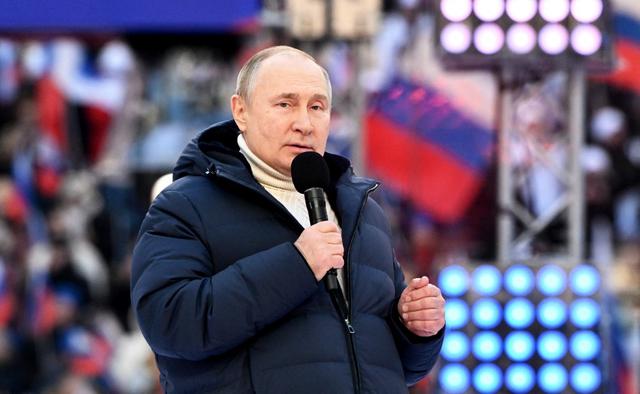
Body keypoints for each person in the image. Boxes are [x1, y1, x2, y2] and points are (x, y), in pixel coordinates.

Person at [130, 45, 445, 393]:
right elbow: (170, 325)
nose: (304, 124)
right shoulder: (185, 204)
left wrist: (414, 329)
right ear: (241, 111)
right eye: (285, 104)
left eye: (317, 107)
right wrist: (296, 265)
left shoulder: (363, 211)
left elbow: (394, 367)